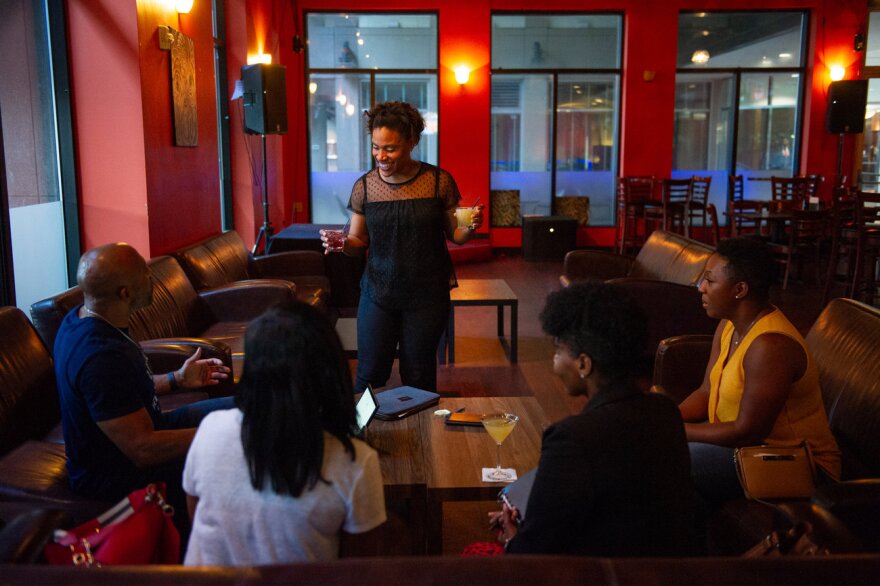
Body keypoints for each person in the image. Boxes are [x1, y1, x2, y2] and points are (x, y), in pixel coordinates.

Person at [489, 281, 701, 556]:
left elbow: (535, 551)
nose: (554, 361)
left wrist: (514, 536)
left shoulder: (572, 438)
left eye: (557, 351)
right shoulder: (665, 411)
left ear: (583, 364)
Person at [183, 301, 387, 565]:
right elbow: (357, 570)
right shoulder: (355, 461)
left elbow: (195, 516)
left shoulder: (210, 429)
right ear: (330, 373)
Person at [320, 100, 483, 393]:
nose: (380, 156)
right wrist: (343, 243)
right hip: (379, 292)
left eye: (390, 148)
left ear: (411, 142)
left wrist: (470, 226)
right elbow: (359, 243)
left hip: (427, 294)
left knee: (418, 374)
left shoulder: (438, 182)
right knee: (369, 374)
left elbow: (456, 236)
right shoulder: (365, 187)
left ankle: (422, 438)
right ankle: (360, 436)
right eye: (375, 147)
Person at [54, 243, 232, 507]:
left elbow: (121, 395)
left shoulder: (81, 318)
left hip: (152, 428)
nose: (152, 280)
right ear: (125, 293)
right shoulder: (100, 357)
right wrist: (218, 434)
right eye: (145, 276)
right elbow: (142, 449)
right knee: (239, 447)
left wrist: (177, 379)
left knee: (252, 408)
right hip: (118, 475)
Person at [680, 237, 840, 504]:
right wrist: (662, 415)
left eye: (710, 280)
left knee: (667, 460)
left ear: (739, 289)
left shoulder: (771, 345)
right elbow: (706, 391)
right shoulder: (729, 325)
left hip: (794, 463)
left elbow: (747, 431)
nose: (701, 288)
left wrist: (675, 429)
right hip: (747, 449)